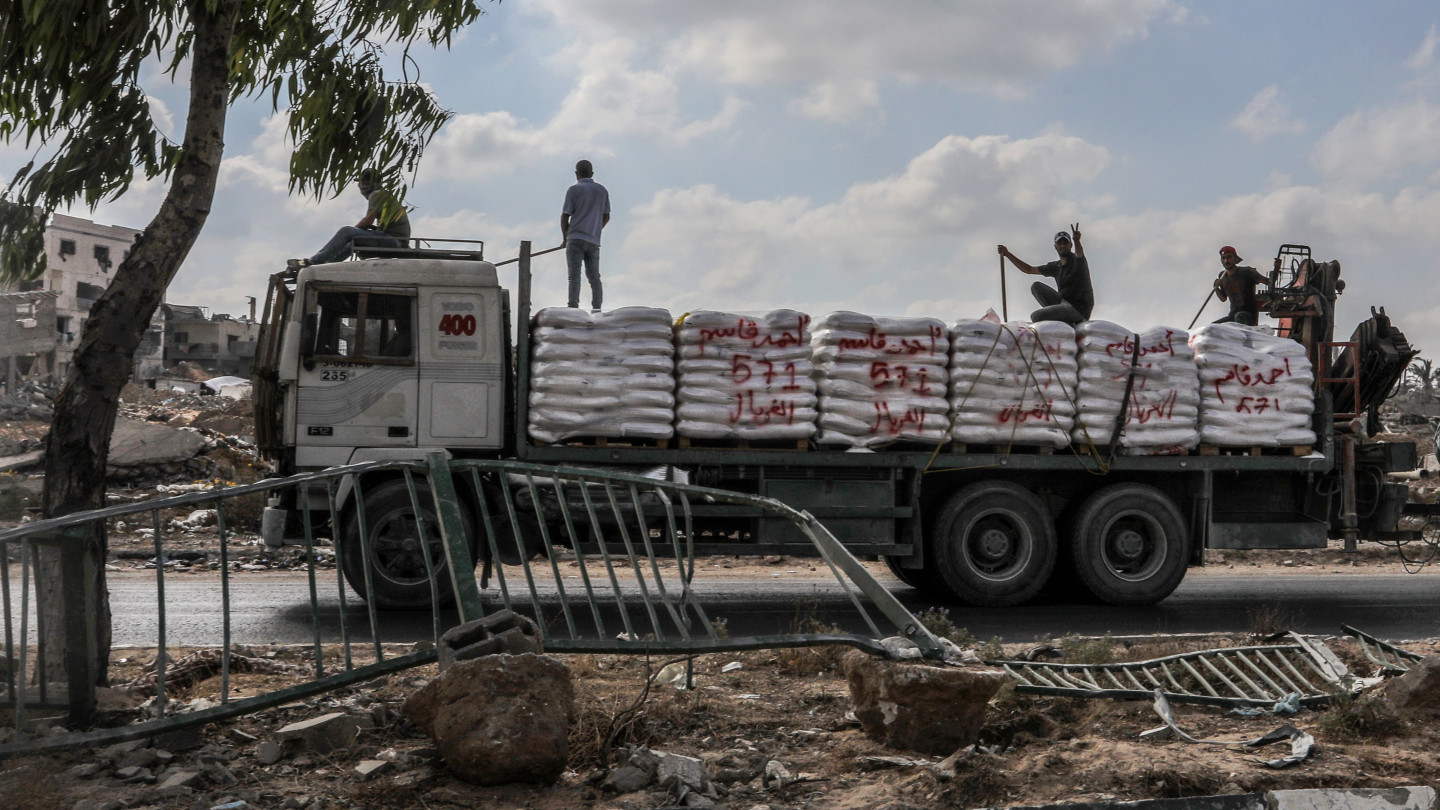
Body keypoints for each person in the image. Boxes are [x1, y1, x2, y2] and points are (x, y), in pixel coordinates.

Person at [288, 168, 411, 269]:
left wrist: (350, 233)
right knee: (353, 242)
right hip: (394, 239)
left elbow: (367, 221)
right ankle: (326, 265)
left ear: (370, 183)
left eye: (363, 182)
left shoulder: (376, 194)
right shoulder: (381, 194)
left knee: (347, 231)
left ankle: (313, 262)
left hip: (394, 240)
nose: (360, 186)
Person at [997, 224, 1094, 325]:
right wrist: (1007, 254)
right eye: (1059, 243)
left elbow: (1079, 253)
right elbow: (1029, 269)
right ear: (1055, 246)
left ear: (1070, 245)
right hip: (1064, 304)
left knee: (1036, 316)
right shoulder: (1055, 267)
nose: (1062, 246)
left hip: (1078, 310)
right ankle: (1062, 320)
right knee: (1036, 287)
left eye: (1065, 243)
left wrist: (1077, 241)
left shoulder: (1077, 261)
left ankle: (1071, 323)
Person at [560, 159, 611, 311]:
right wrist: (595, 229)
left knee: (574, 276)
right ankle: (597, 308)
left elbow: (565, 216)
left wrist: (565, 238)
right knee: (594, 277)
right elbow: (606, 216)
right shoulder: (602, 190)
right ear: (592, 173)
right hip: (593, 240)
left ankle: (573, 307)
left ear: (577, 174)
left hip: (575, 237)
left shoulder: (574, 190)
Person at [1212, 245, 1268, 326]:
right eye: (1223, 258)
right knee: (1212, 327)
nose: (1226, 261)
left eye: (1229, 257)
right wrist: (1216, 288)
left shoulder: (1247, 272)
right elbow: (1223, 298)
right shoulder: (1222, 276)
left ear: (1235, 259)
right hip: (1233, 315)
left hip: (1248, 315)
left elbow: (1267, 282)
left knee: (1240, 316)